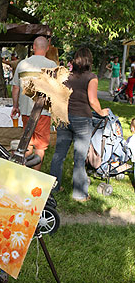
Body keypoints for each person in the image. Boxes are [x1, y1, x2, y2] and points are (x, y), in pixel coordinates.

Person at [50, 47, 109, 202]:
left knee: (58, 155)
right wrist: (102, 112)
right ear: (89, 60)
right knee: (80, 158)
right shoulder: (92, 77)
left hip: (64, 118)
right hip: (82, 120)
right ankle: (80, 194)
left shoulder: (67, 77)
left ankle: (53, 188)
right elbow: (92, 100)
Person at [11, 36, 57, 171]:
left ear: (34, 47)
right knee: (40, 146)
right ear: (47, 48)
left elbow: (15, 88)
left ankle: (24, 171)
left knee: (27, 142)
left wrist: (15, 106)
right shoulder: (51, 65)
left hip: (26, 110)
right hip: (43, 111)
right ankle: (35, 175)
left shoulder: (22, 64)